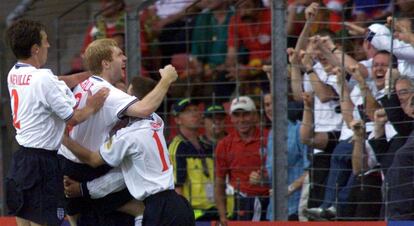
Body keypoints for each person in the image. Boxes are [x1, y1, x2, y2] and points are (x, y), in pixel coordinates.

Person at [58, 38, 178, 226]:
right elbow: (145, 109)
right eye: (119, 54)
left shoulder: (84, 84)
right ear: (105, 63)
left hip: (66, 160)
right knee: (137, 206)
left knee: (80, 212)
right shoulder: (109, 93)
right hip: (85, 164)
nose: (125, 58)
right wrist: (166, 79)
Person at [4, 19, 108, 226]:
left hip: (22, 158)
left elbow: (56, 81)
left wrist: (88, 75)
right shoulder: (43, 79)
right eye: (45, 41)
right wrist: (93, 105)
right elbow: (74, 118)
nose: (48, 45)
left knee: (23, 218)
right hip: (43, 162)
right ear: (35, 49)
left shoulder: (15, 73)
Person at [61, 111, 195, 226]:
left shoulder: (127, 136)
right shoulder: (154, 120)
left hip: (159, 208)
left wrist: (65, 139)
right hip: (180, 205)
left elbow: (94, 160)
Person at [214, 96, 269, 225]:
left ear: (255, 116)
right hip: (240, 204)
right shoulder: (224, 144)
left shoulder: (269, 138)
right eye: (237, 115)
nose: (241, 120)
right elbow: (219, 182)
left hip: (271, 201)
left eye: (246, 114)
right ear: (231, 118)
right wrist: (223, 216)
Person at [168, 98, 219, 221]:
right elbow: (176, 188)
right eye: (188, 111)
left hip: (214, 211)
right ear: (177, 119)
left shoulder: (207, 144)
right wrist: (181, 217)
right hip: (193, 215)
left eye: (196, 110)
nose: (194, 114)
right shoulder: (177, 146)